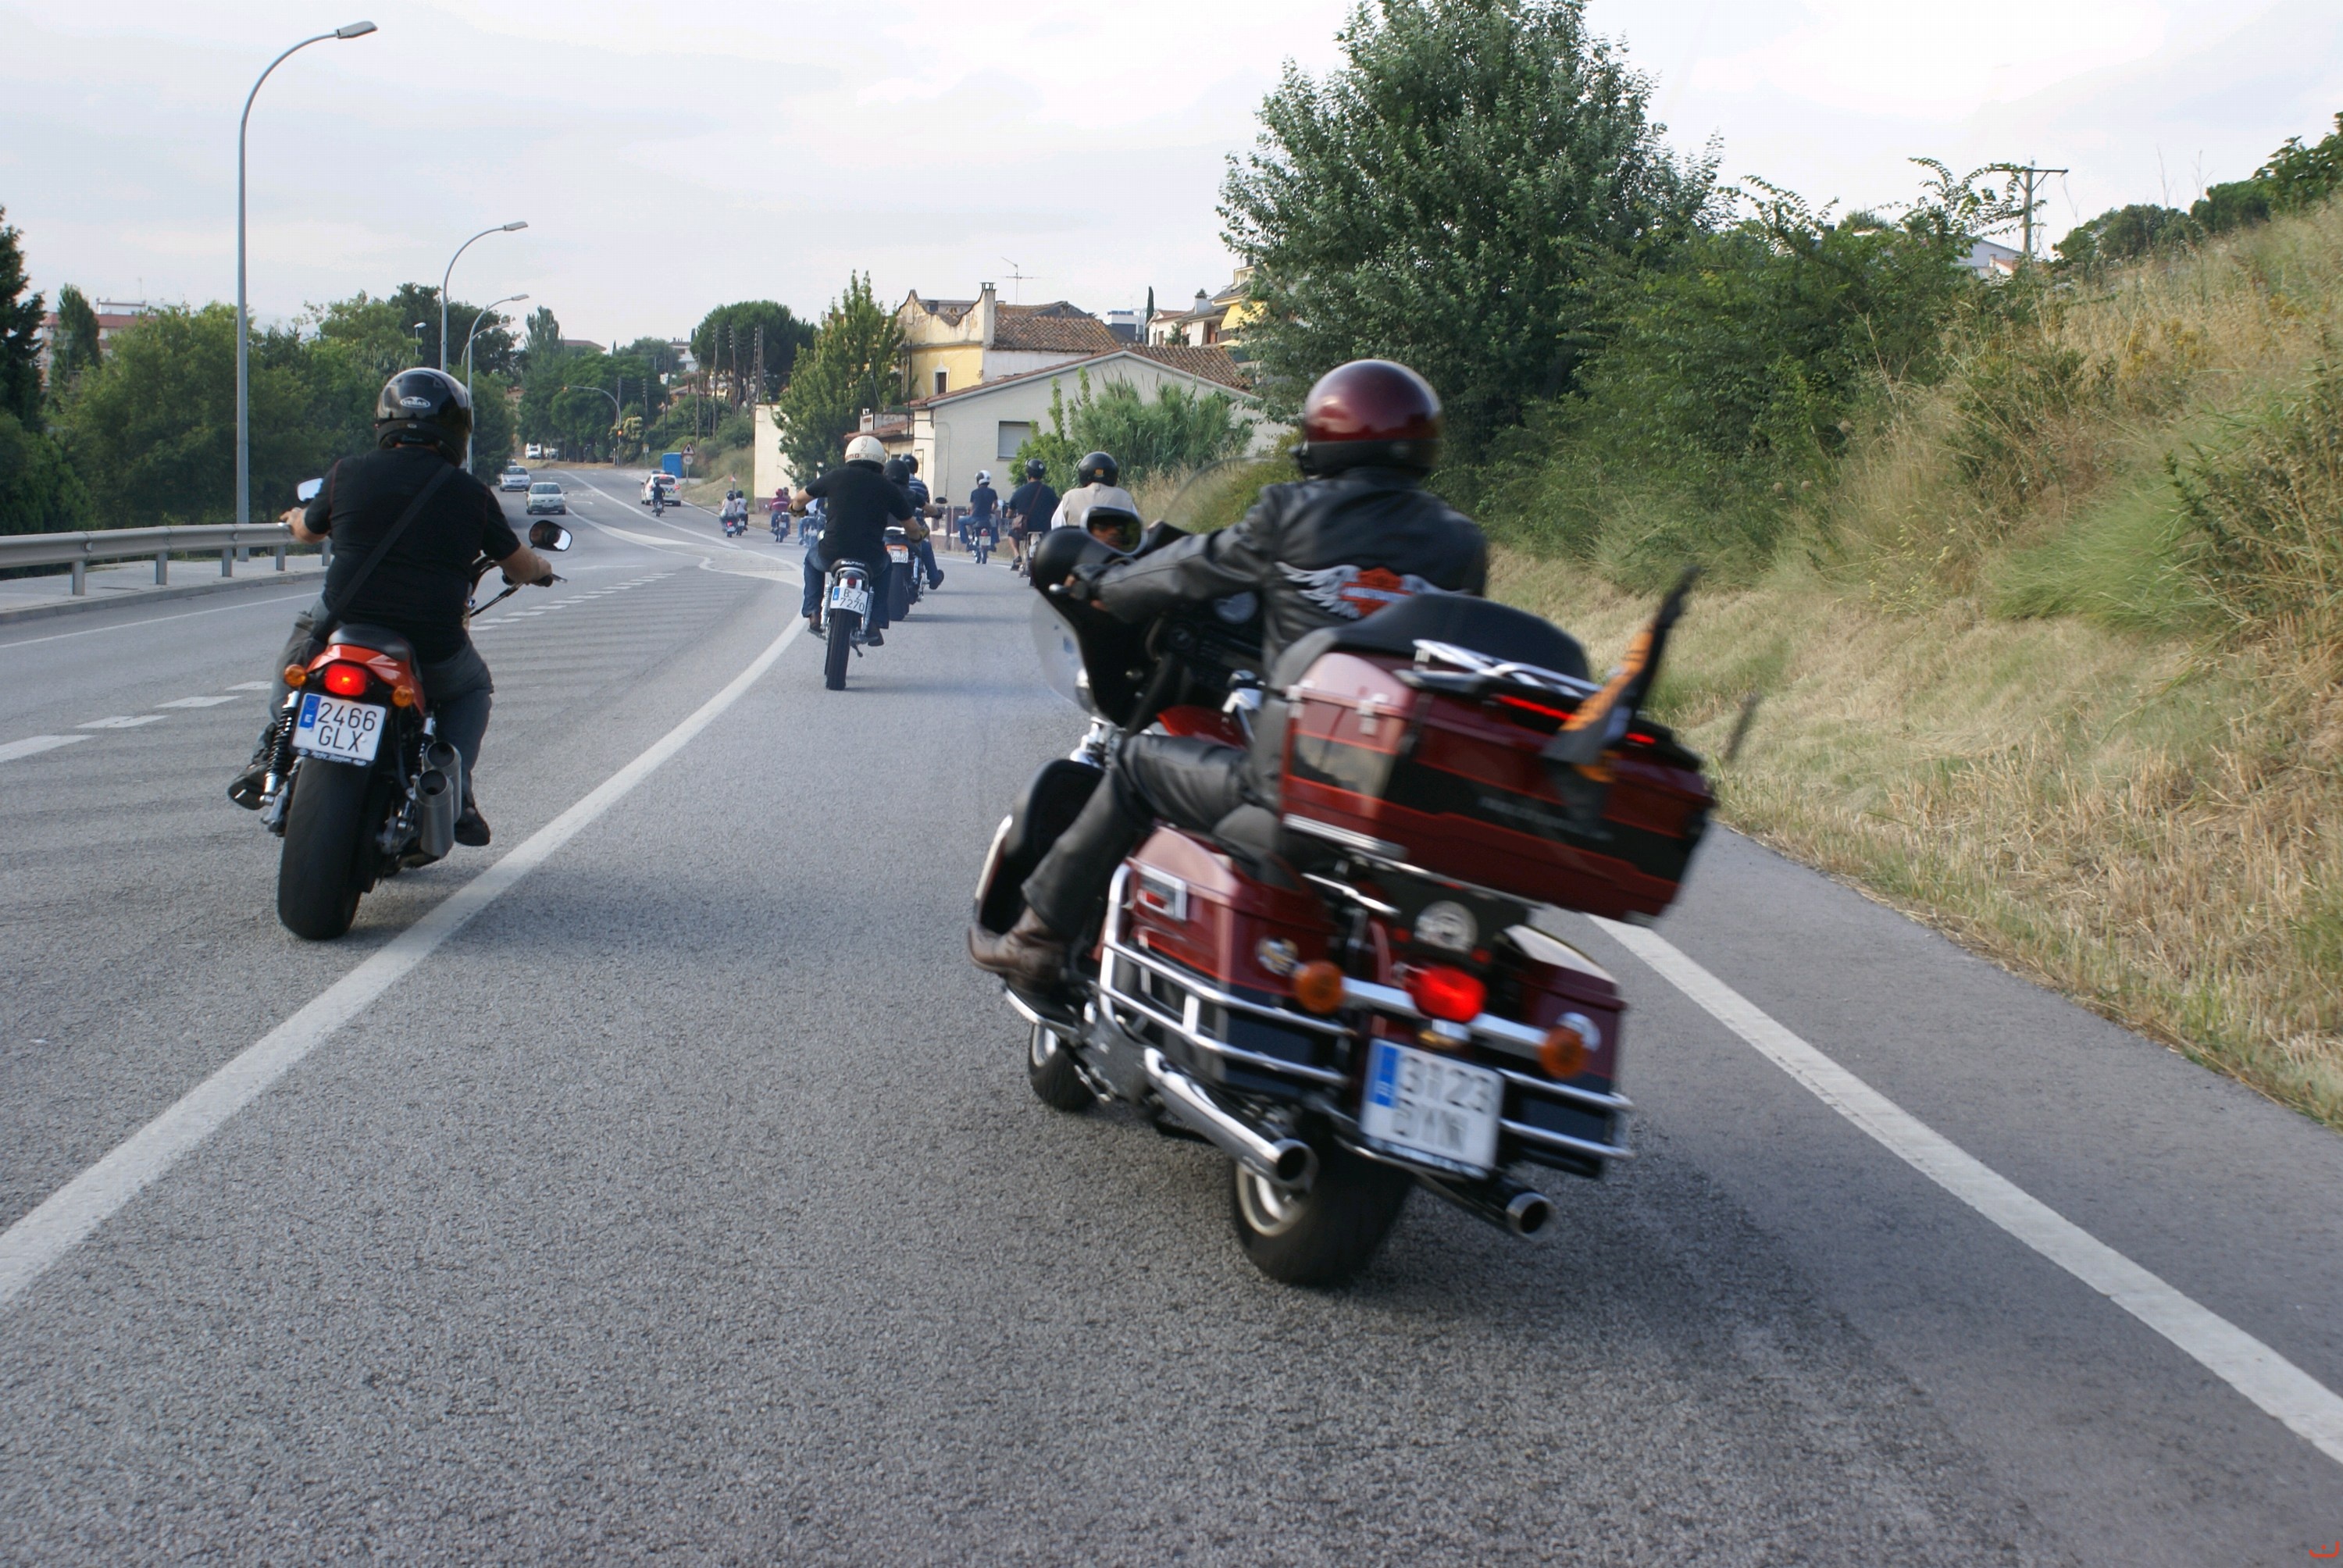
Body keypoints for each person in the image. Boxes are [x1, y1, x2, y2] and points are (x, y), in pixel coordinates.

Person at [969, 360, 1486, 990]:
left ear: (1323, 440)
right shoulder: (1462, 544)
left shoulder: (1294, 513)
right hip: (1404, 804)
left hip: (1295, 788)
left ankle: (1036, 939)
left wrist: (1107, 584)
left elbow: (1190, 566)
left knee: (1136, 765)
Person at [228, 367, 554, 846]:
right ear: (457, 431)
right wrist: (542, 568)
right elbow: (519, 564)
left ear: (385, 421)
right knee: (471, 689)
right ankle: (458, 792)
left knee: (297, 659)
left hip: (342, 621)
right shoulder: (471, 494)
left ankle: (270, 752)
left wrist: (297, 517)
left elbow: (308, 532)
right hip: (431, 639)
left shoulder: (347, 472)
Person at [793, 435, 911, 645]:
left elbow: (800, 498)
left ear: (849, 456)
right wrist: (918, 536)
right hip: (871, 557)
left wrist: (796, 508)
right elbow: (911, 526)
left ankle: (813, 611)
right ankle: (875, 622)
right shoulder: (888, 487)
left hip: (831, 552)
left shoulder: (834, 476)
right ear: (880, 461)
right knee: (886, 567)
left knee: (811, 561)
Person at [1049, 450, 1140, 533]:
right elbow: (1136, 530)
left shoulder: (1069, 498)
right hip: (1112, 546)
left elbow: (1056, 530)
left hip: (1079, 546)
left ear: (1083, 474)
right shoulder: (1124, 497)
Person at [1004, 458, 1057, 576]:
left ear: (1028, 474)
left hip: (1025, 528)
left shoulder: (1019, 491)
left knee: (1011, 534)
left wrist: (1009, 516)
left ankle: (1017, 556)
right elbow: (1057, 509)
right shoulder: (1049, 491)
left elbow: (1010, 512)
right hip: (1045, 528)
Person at [902, 454, 943, 589]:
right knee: (925, 544)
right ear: (915, 468)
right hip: (917, 526)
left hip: (891, 527)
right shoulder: (920, 486)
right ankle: (933, 576)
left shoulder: (888, 485)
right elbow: (927, 507)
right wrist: (936, 513)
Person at [965, 469, 1000, 559]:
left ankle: (967, 542)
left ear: (978, 480)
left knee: (961, 522)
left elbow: (972, 507)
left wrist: (970, 513)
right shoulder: (993, 492)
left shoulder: (974, 492)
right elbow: (996, 504)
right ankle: (993, 542)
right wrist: (992, 510)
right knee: (995, 524)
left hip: (976, 517)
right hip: (987, 517)